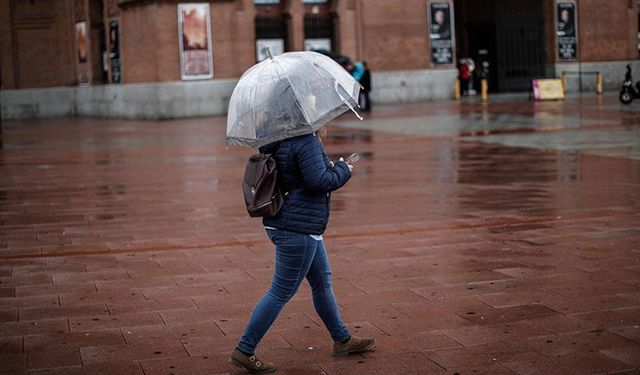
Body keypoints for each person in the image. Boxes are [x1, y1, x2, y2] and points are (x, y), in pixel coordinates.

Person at [228, 127, 376, 373]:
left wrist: (324, 164)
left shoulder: (276, 136)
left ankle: (342, 340)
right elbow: (319, 182)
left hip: (290, 221)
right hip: (297, 228)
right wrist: (344, 169)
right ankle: (244, 350)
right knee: (280, 292)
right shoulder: (305, 139)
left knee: (322, 283)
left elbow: (298, 175)